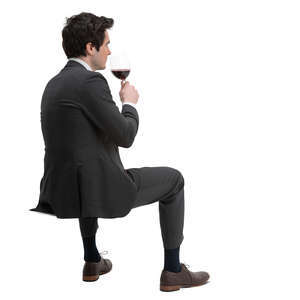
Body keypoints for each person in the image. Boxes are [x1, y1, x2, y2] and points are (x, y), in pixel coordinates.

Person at [29, 12, 209, 292]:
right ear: (91, 47)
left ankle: (92, 260)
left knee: (84, 172)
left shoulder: (53, 84)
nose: (109, 50)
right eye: (106, 44)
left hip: (61, 190)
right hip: (104, 189)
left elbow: (79, 141)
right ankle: (174, 271)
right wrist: (130, 104)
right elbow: (126, 136)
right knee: (174, 180)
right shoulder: (90, 82)